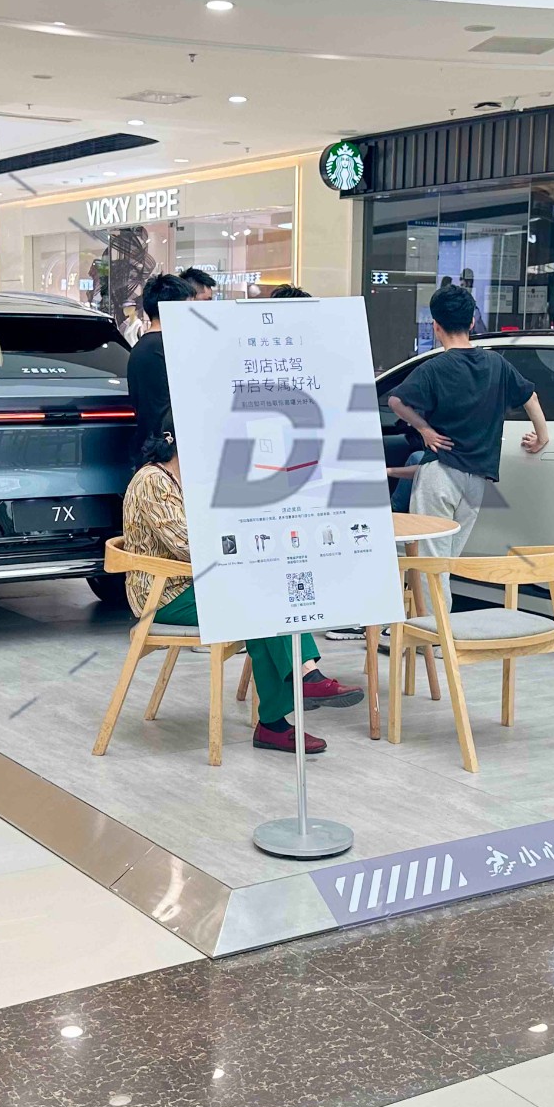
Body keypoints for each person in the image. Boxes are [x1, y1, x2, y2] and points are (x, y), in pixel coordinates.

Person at [122, 429, 362, 753]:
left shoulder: (186, 480)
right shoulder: (153, 480)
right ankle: (296, 693)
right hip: (164, 593)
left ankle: (290, 701)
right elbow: (188, 545)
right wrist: (244, 548)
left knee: (266, 603)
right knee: (260, 601)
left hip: (195, 583)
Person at [387, 283, 549, 558]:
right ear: (472, 322)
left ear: (436, 326)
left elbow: (396, 402)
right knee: (448, 560)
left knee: (430, 564)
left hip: (439, 476)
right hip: (476, 481)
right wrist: (541, 438)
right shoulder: (497, 364)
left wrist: (425, 430)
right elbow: (530, 397)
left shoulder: (433, 368)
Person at [126, 273, 192, 453]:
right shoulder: (163, 347)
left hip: (151, 448)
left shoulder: (144, 346)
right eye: (188, 307)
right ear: (173, 308)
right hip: (165, 453)